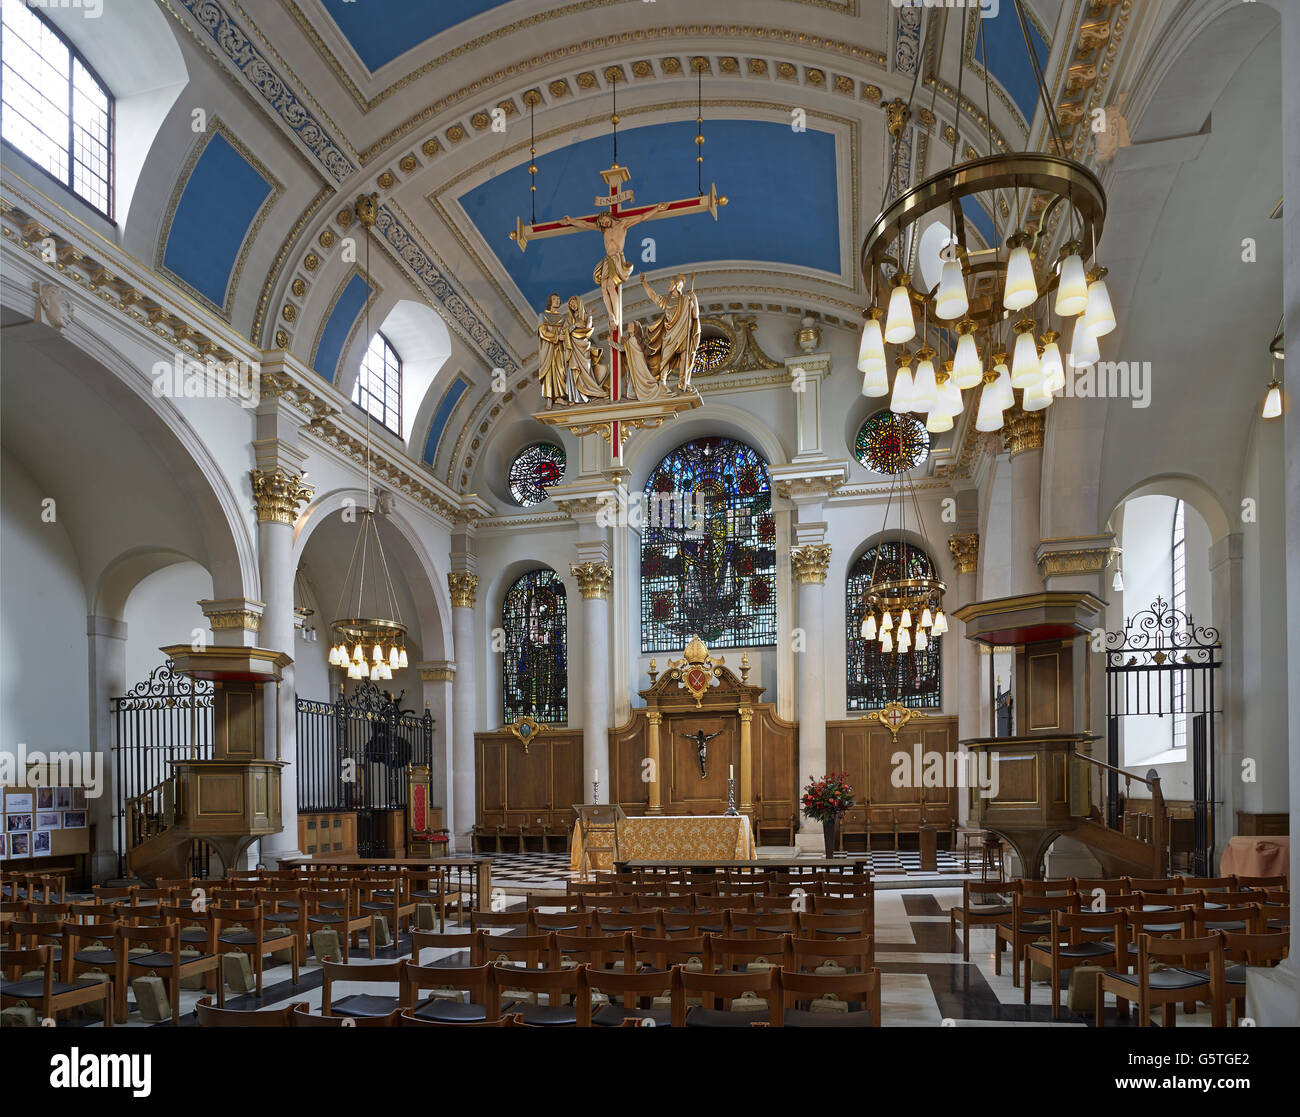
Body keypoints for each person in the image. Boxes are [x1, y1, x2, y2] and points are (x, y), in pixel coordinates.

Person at [559, 202, 668, 333]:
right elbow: (586, 224)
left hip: (617, 258)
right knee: (604, 287)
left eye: (605, 221)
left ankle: (615, 317)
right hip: (607, 259)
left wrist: (656, 209)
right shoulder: (603, 229)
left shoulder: (623, 224)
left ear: (609, 216)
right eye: (602, 223)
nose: (604, 224)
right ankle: (611, 315)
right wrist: (571, 221)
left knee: (611, 286)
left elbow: (641, 217)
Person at [640, 273, 702, 393]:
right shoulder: (667, 301)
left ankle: (683, 383)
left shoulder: (686, 299)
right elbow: (653, 296)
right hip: (670, 333)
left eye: (670, 284)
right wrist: (644, 283)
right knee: (665, 359)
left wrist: (694, 300)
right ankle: (662, 382)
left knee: (685, 357)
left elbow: (695, 315)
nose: (668, 286)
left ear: (677, 285)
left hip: (683, 332)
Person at [616, 320, 671, 400]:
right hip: (638, 364)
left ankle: (640, 392)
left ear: (636, 329)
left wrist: (611, 342)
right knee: (637, 379)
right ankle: (634, 392)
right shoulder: (634, 340)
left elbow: (621, 348)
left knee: (640, 379)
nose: (628, 327)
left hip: (638, 365)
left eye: (631, 326)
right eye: (628, 326)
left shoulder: (632, 340)